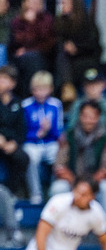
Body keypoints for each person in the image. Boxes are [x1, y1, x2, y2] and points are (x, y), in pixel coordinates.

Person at [50, 100, 106, 219]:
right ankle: (57, 224)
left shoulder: (105, 139)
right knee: (58, 187)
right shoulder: (68, 136)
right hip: (72, 181)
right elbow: (59, 165)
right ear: (80, 116)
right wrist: (74, 181)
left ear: (98, 118)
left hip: (94, 183)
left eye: (92, 117)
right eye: (85, 116)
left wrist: (89, 184)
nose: (88, 120)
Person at [21, 69, 61, 204]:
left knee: (58, 153)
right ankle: (36, 194)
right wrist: (36, 134)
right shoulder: (25, 105)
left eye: (44, 89)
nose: (40, 93)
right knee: (31, 157)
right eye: (37, 89)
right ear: (32, 90)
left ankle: (55, 192)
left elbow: (58, 132)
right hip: (31, 143)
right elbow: (22, 131)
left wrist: (48, 131)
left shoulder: (56, 105)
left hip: (50, 142)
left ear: (50, 89)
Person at [53, 0, 99, 97]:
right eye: (60, 3)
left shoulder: (87, 22)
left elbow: (94, 45)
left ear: (74, 2)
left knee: (64, 64)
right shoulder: (59, 22)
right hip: (66, 60)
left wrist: (77, 48)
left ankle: (68, 90)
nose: (61, 5)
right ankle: (68, 88)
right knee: (61, 58)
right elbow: (57, 42)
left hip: (85, 58)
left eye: (64, 2)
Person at [0, 64, 29, 198]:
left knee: (22, 158)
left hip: (10, 143)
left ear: (13, 83)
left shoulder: (17, 103)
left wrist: (15, 143)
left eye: (4, 79)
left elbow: (21, 129)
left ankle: (11, 192)